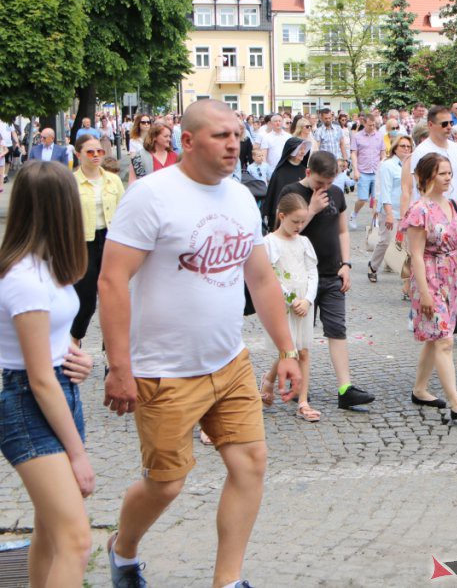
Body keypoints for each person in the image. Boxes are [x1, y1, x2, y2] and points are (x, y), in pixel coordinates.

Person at [99, 99, 301, 588]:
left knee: (250, 464)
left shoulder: (240, 198)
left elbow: (261, 279)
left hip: (229, 362)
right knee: (166, 484)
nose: (234, 144)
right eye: (220, 136)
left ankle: (227, 581)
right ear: (187, 141)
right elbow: (111, 280)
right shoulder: (151, 195)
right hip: (163, 370)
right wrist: (119, 367)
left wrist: (286, 351)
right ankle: (122, 551)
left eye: (237, 134)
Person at [0, 161, 96, 587]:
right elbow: (38, 377)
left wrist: (79, 356)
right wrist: (78, 455)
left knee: (52, 531)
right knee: (76, 540)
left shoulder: (45, 266)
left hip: (56, 393)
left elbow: (51, 340)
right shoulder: (24, 278)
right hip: (29, 403)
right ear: (62, 209)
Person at [278, 151, 375, 410]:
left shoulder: (337, 193)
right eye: (320, 182)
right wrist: (311, 210)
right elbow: (285, 233)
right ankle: (297, 386)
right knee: (300, 336)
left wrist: (346, 264)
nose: (324, 188)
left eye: (329, 183)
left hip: (332, 273)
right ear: (308, 173)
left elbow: (342, 231)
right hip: (301, 277)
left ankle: (345, 388)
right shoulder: (291, 192)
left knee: (337, 329)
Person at [401, 153, 457, 422]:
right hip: (429, 277)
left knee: (436, 337)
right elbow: (416, 254)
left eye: (449, 173)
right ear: (427, 176)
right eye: (442, 173)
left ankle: (420, 389)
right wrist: (423, 292)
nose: (448, 178)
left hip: (453, 278)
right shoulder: (419, 210)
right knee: (444, 340)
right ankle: (456, 403)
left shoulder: (453, 205)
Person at [264, 193, 320, 423]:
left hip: (303, 302)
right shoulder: (269, 242)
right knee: (288, 350)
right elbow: (271, 276)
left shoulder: (304, 242)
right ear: (282, 216)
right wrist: (291, 299)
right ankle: (269, 380)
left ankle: (303, 401)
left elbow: (312, 272)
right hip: (284, 303)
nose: (299, 226)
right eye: (295, 221)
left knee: (303, 350)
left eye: (302, 221)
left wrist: (307, 299)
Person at [70, 136, 124, 346]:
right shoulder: (71, 182)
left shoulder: (112, 180)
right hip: (83, 243)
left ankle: (110, 349)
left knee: (112, 300)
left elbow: (123, 210)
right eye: (90, 152)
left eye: (99, 151)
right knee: (86, 301)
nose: (95, 155)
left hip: (110, 240)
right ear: (78, 154)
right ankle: (75, 339)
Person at [367, 134, 412, 282]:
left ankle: (408, 277)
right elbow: (385, 191)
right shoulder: (388, 165)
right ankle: (373, 266)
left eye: (408, 146)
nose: (406, 149)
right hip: (390, 209)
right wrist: (389, 214)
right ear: (395, 148)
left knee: (408, 243)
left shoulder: (412, 165)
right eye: (402, 146)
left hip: (407, 210)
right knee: (385, 241)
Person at [401, 106, 453, 218]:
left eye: (451, 123)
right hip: (431, 215)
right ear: (430, 125)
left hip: (453, 212)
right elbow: (410, 188)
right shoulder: (421, 152)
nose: (449, 127)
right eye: (444, 124)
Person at [262, 137, 312, 231]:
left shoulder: (305, 171)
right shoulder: (280, 173)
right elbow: (275, 201)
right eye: (300, 149)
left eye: (304, 149)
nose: (303, 152)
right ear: (292, 150)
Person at [349, 115, 386, 229]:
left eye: (374, 125)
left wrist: (383, 166)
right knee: (363, 199)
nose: (372, 127)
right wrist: (355, 170)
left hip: (376, 171)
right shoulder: (357, 136)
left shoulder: (379, 136)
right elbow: (354, 154)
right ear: (364, 123)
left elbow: (383, 153)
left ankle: (375, 221)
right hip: (363, 171)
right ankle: (354, 215)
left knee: (376, 199)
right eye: (370, 125)